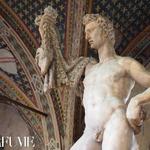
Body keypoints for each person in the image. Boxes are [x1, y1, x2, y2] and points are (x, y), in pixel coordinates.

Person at [70, 14, 150, 150]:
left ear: (104, 30)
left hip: (115, 123)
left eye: (90, 30)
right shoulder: (89, 69)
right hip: (89, 132)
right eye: (85, 32)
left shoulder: (125, 63)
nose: (86, 36)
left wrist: (137, 100)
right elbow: (60, 71)